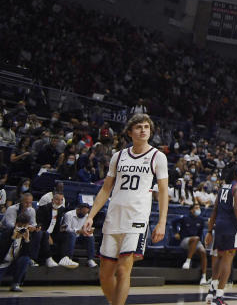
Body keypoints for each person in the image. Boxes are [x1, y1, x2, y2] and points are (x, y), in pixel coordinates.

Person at [80, 114, 169, 305]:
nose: (143, 130)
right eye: (138, 127)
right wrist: (90, 216)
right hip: (113, 217)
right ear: (130, 132)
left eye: (146, 127)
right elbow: (105, 189)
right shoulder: (118, 156)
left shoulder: (157, 156)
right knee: (104, 275)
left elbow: (162, 192)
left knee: (123, 269)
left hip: (137, 219)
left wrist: (162, 222)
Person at [205, 165, 237, 304]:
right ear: (235, 174)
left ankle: (211, 292)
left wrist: (209, 230)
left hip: (219, 225)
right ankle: (219, 296)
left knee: (219, 257)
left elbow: (215, 210)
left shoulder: (223, 187)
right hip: (231, 225)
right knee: (228, 258)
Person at [173, 204, 207, 281]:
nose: (198, 209)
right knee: (195, 239)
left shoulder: (201, 220)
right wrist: (175, 233)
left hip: (196, 240)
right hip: (185, 241)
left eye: (199, 208)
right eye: (196, 208)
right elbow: (173, 222)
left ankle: (203, 277)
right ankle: (188, 261)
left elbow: (200, 233)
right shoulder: (185, 218)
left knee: (203, 252)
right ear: (191, 210)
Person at [0, 211, 33, 291]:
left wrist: (27, 241)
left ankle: (16, 283)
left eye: (24, 226)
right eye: (19, 225)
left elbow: (28, 255)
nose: (21, 228)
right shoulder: (7, 233)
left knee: (25, 259)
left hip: (14, 264)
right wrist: (12, 239)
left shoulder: (27, 236)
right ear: (15, 224)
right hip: (3, 263)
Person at [59, 202, 98, 268]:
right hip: (66, 236)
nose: (84, 214)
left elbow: (85, 228)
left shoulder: (86, 216)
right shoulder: (68, 215)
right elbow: (65, 229)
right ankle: (68, 258)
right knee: (72, 234)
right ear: (78, 209)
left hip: (79, 237)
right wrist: (78, 231)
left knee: (90, 236)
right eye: (83, 212)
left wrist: (89, 231)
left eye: (86, 212)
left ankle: (90, 259)